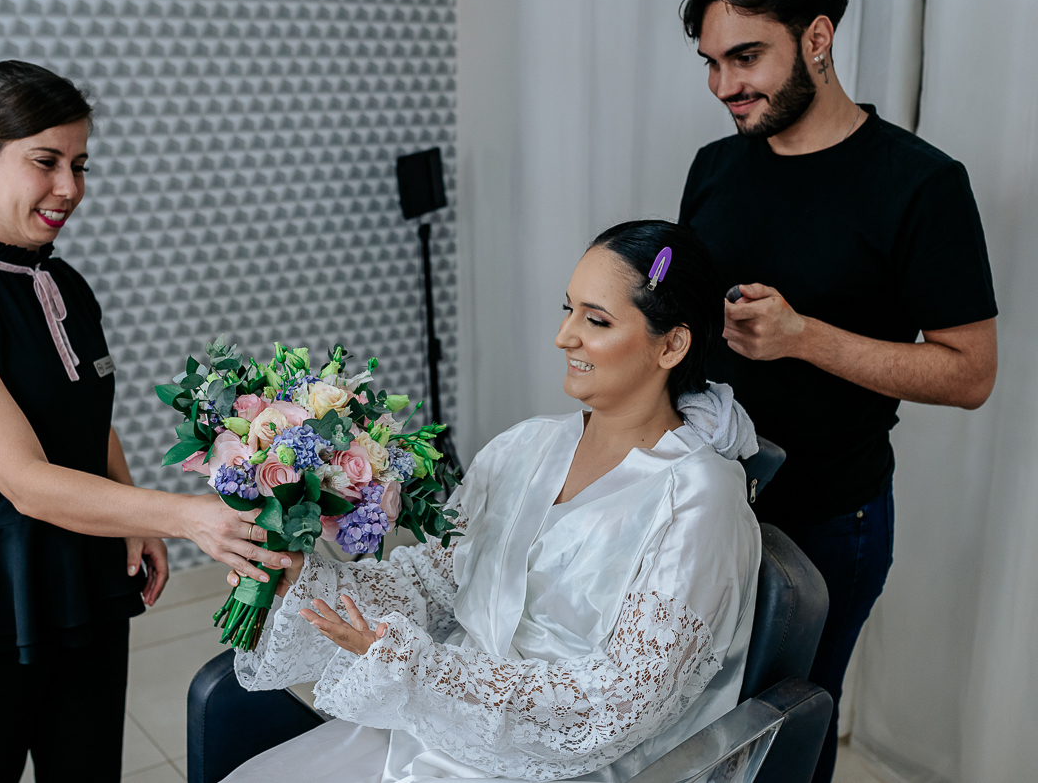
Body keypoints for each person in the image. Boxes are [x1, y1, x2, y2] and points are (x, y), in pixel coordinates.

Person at [217, 220, 762, 782]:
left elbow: (620, 702)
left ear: (672, 343)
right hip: (443, 726)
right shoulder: (526, 445)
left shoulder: (700, 501)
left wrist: (421, 671)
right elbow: (435, 579)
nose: (564, 336)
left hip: (564, 765)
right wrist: (305, 581)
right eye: (568, 308)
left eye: (595, 320)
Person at [0, 61, 290, 783]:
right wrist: (183, 517)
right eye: (46, 162)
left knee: (89, 768)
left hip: (84, 574)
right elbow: (27, 483)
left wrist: (128, 515)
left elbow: (85, 416)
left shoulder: (64, 284)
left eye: (79, 164)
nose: (69, 188)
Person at [676, 0, 999, 780]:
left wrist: (803, 337)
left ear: (817, 38)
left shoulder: (919, 183)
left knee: (787, 745)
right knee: (692, 723)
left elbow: (970, 373)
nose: (724, 86)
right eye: (711, 64)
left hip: (829, 523)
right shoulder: (714, 166)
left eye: (745, 57)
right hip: (699, 503)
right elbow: (668, 282)